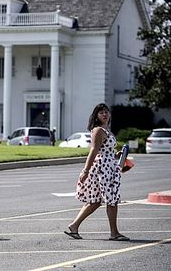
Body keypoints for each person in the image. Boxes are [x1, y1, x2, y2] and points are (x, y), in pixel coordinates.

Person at [64, 103, 129, 241]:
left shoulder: (107, 131)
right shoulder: (98, 130)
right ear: (96, 116)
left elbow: (104, 150)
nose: (104, 114)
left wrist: (117, 155)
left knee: (96, 201)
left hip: (108, 165)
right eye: (101, 113)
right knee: (111, 200)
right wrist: (85, 170)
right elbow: (94, 150)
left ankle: (74, 226)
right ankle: (114, 233)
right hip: (102, 168)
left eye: (106, 112)